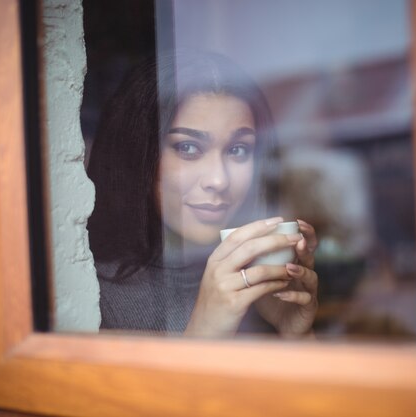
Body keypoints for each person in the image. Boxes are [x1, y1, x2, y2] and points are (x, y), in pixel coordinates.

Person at [87, 51, 318, 338]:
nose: (219, 180)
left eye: (238, 150)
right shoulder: (91, 294)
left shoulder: (259, 282)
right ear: (139, 153)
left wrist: (294, 335)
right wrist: (204, 332)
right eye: (188, 148)